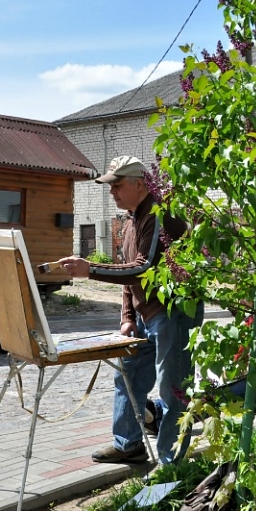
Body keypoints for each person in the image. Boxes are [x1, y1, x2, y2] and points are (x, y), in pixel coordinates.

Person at [58, 155, 203, 465]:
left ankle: (170, 465)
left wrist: (90, 270)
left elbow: (144, 269)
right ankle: (128, 445)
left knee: (173, 389)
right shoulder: (131, 218)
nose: (112, 192)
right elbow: (128, 272)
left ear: (140, 184)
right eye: (110, 187)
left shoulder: (159, 213)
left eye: (117, 185)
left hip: (173, 314)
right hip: (145, 316)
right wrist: (127, 317)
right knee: (126, 376)